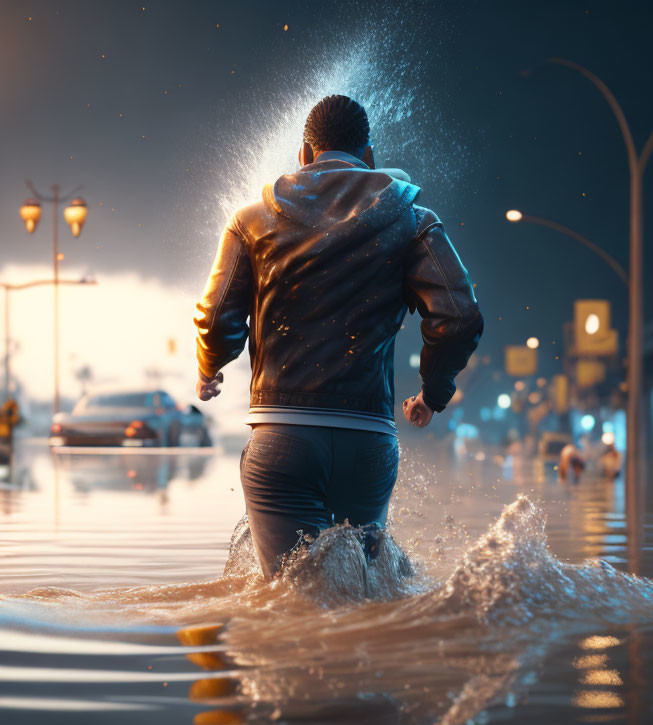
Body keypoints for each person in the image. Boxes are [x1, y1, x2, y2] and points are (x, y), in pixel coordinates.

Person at [194, 95, 483, 578]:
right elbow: (459, 316)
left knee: (290, 606)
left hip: (282, 438)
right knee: (364, 598)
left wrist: (210, 366)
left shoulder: (251, 221)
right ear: (368, 154)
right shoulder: (412, 219)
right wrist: (433, 394)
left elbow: (217, 315)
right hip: (367, 443)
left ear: (304, 154)